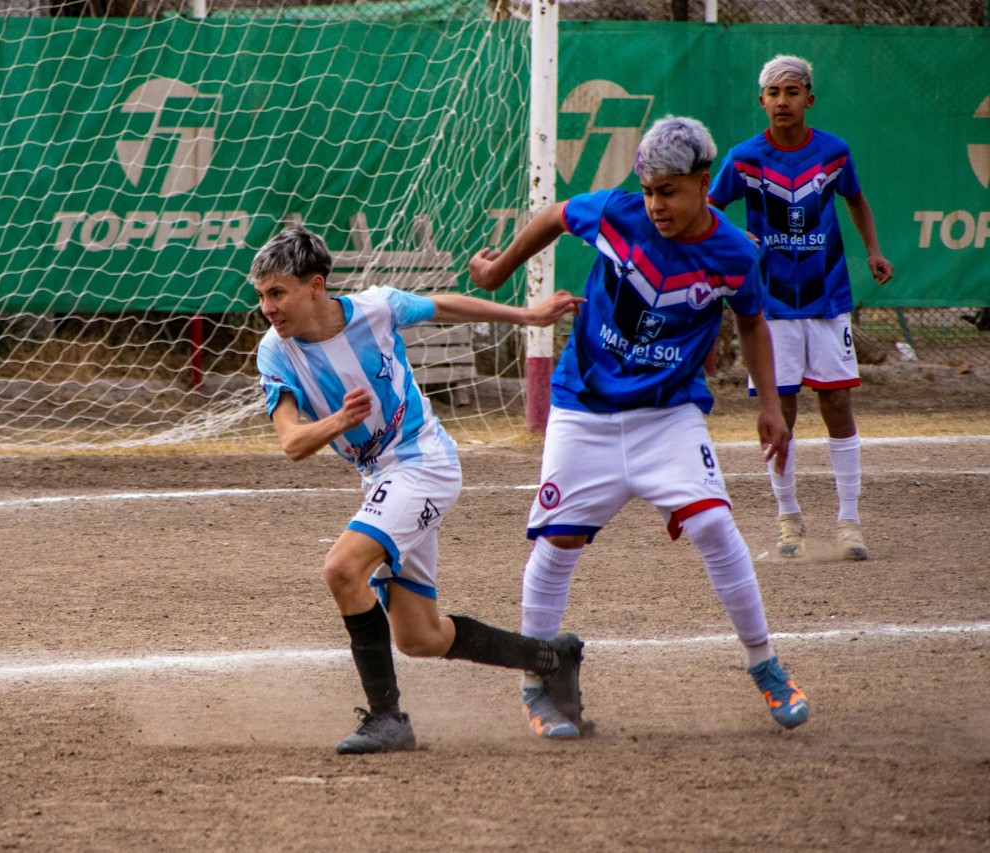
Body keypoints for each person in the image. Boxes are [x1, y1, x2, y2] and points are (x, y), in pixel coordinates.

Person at [467, 116, 810, 734]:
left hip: (668, 415)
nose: (655, 204)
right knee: (557, 545)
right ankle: (536, 684)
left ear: (704, 184)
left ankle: (765, 666)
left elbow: (753, 321)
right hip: (583, 410)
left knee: (713, 523)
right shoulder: (615, 214)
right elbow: (552, 216)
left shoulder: (734, 252)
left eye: (669, 191)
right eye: (648, 190)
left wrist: (768, 406)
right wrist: (500, 271)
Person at [252, 226, 588, 753]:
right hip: (380, 479)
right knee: (420, 638)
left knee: (342, 569)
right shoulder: (275, 352)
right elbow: (292, 443)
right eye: (262, 296)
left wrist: (526, 317)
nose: (268, 307)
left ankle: (388, 719)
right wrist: (339, 422)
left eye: (278, 293)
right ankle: (552, 659)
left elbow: (443, 307)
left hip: (423, 462)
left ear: (315, 286)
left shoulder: (376, 308)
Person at [709, 55, 893, 561]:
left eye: (793, 92)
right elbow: (707, 209)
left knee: (837, 404)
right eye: (774, 93)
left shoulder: (834, 152)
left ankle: (849, 522)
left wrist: (873, 250)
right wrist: (734, 236)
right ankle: (788, 520)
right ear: (761, 101)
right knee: (780, 410)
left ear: (809, 99)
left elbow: (855, 199)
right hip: (768, 307)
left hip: (828, 299)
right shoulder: (744, 158)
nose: (783, 101)